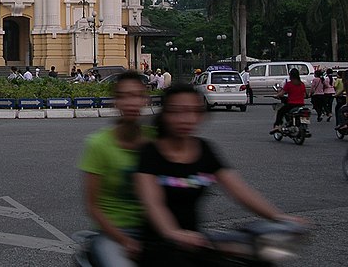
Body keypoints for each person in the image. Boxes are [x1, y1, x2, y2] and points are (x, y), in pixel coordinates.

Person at [135, 84, 303, 267]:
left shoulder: (204, 150)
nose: (186, 118)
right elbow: (153, 203)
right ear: (165, 115)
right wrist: (172, 232)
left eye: (193, 111)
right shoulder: (150, 153)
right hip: (159, 245)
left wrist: (279, 218)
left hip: (197, 241)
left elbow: (239, 190)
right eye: (177, 111)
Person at [78, 71, 152, 267]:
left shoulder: (155, 140)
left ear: (146, 100)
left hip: (153, 230)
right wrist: (125, 241)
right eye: (124, 96)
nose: (131, 103)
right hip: (113, 233)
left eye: (137, 96)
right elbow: (92, 207)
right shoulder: (98, 144)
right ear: (115, 102)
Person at [270, 68, 308, 133]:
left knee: (280, 111)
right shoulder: (302, 84)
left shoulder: (289, 84)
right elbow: (305, 95)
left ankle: (277, 126)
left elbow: (281, 94)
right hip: (301, 104)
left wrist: (276, 95)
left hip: (292, 104)